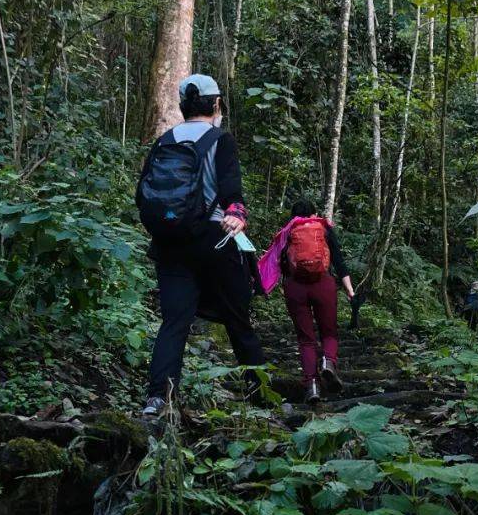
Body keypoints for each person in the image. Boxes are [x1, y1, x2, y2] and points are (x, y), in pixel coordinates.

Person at [136, 73, 265, 418]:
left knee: (174, 322)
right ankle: (261, 396)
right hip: (214, 239)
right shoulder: (220, 139)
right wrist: (236, 213)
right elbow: (231, 190)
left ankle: (157, 400)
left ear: (182, 106)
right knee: (238, 318)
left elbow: (143, 193)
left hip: (169, 242)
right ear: (216, 104)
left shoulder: (164, 141)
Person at [259, 198, 355, 403]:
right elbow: (338, 260)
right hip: (324, 284)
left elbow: (276, 263)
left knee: (306, 340)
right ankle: (328, 363)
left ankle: (312, 386)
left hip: (295, 288)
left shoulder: (287, 232)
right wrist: (349, 289)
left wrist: (265, 286)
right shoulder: (323, 228)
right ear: (313, 213)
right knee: (329, 332)